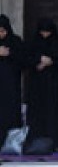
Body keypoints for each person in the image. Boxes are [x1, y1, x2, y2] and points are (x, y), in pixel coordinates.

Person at [25, 18, 58, 150]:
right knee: (37, 114)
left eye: (47, 32)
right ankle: (35, 142)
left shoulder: (57, 43)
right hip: (36, 86)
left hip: (53, 86)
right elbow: (26, 59)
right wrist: (39, 60)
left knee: (53, 113)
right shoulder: (33, 43)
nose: (45, 35)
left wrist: (51, 61)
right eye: (43, 32)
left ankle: (55, 142)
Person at [0, 14, 24, 146]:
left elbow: (22, 59)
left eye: (3, 31)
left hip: (11, 85)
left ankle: (11, 143)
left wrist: (9, 54)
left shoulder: (15, 41)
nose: (1, 34)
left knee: (10, 114)